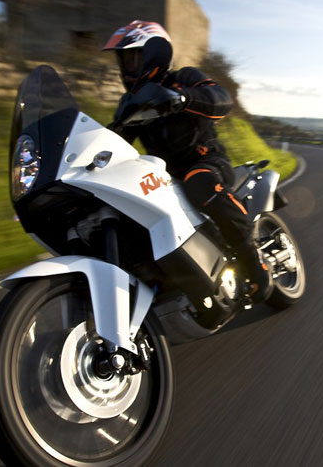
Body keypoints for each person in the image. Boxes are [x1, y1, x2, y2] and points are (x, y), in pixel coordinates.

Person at [102, 20, 271, 301]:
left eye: (133, 57)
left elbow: (221, 99)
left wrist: (183, 98)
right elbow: (116, 142)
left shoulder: (184, 78)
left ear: (155, 55)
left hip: (207, 162)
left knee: (199, 181)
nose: (127, 66)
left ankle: (254, 262)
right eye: (124, 59)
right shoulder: (128, 103)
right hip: (165, 177)